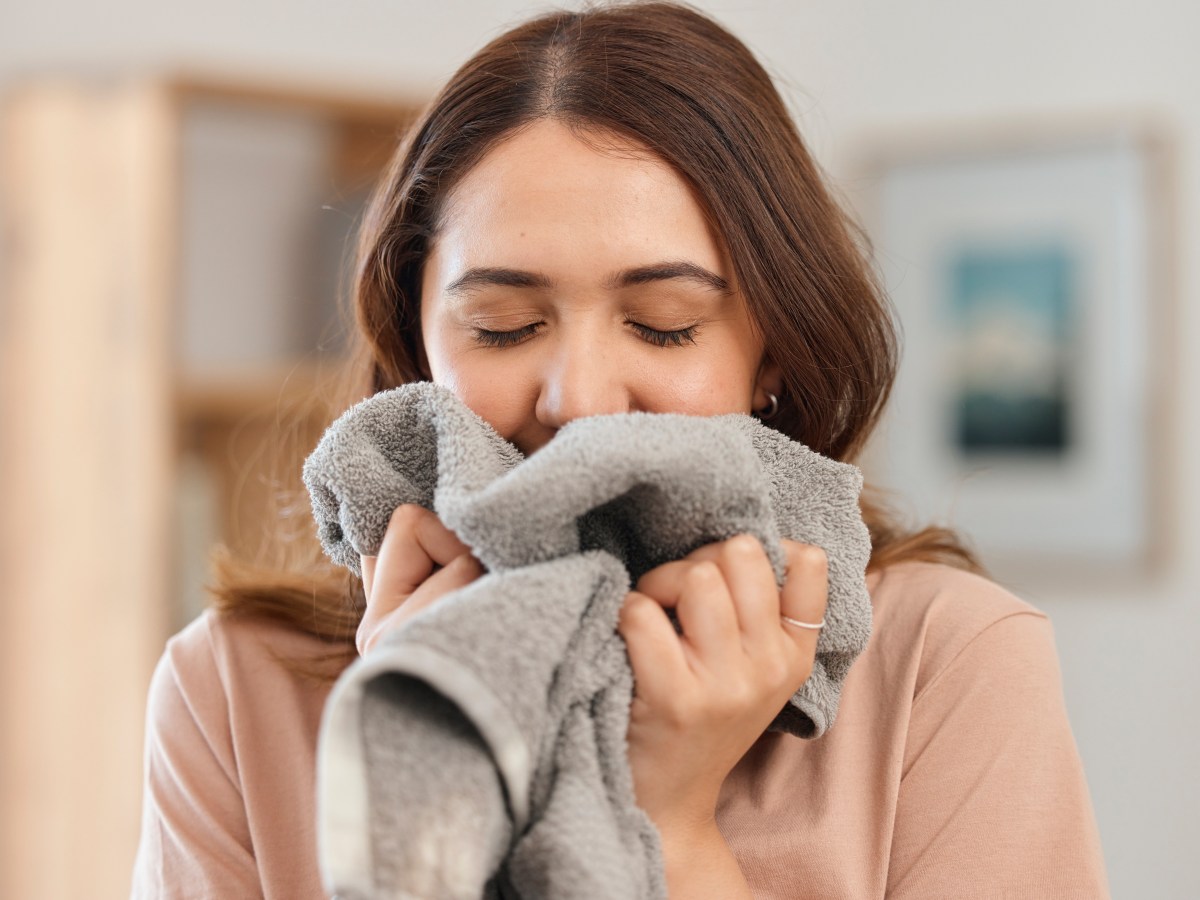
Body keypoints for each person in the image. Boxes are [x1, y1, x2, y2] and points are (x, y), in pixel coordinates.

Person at [131, 2, 1110, 898]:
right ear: (417, 339)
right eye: (506, 325)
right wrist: (429, 757)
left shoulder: (945, 666)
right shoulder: (233, 690)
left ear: (773, 347)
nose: (583, 401)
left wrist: (671, 830)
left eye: (664, 324)